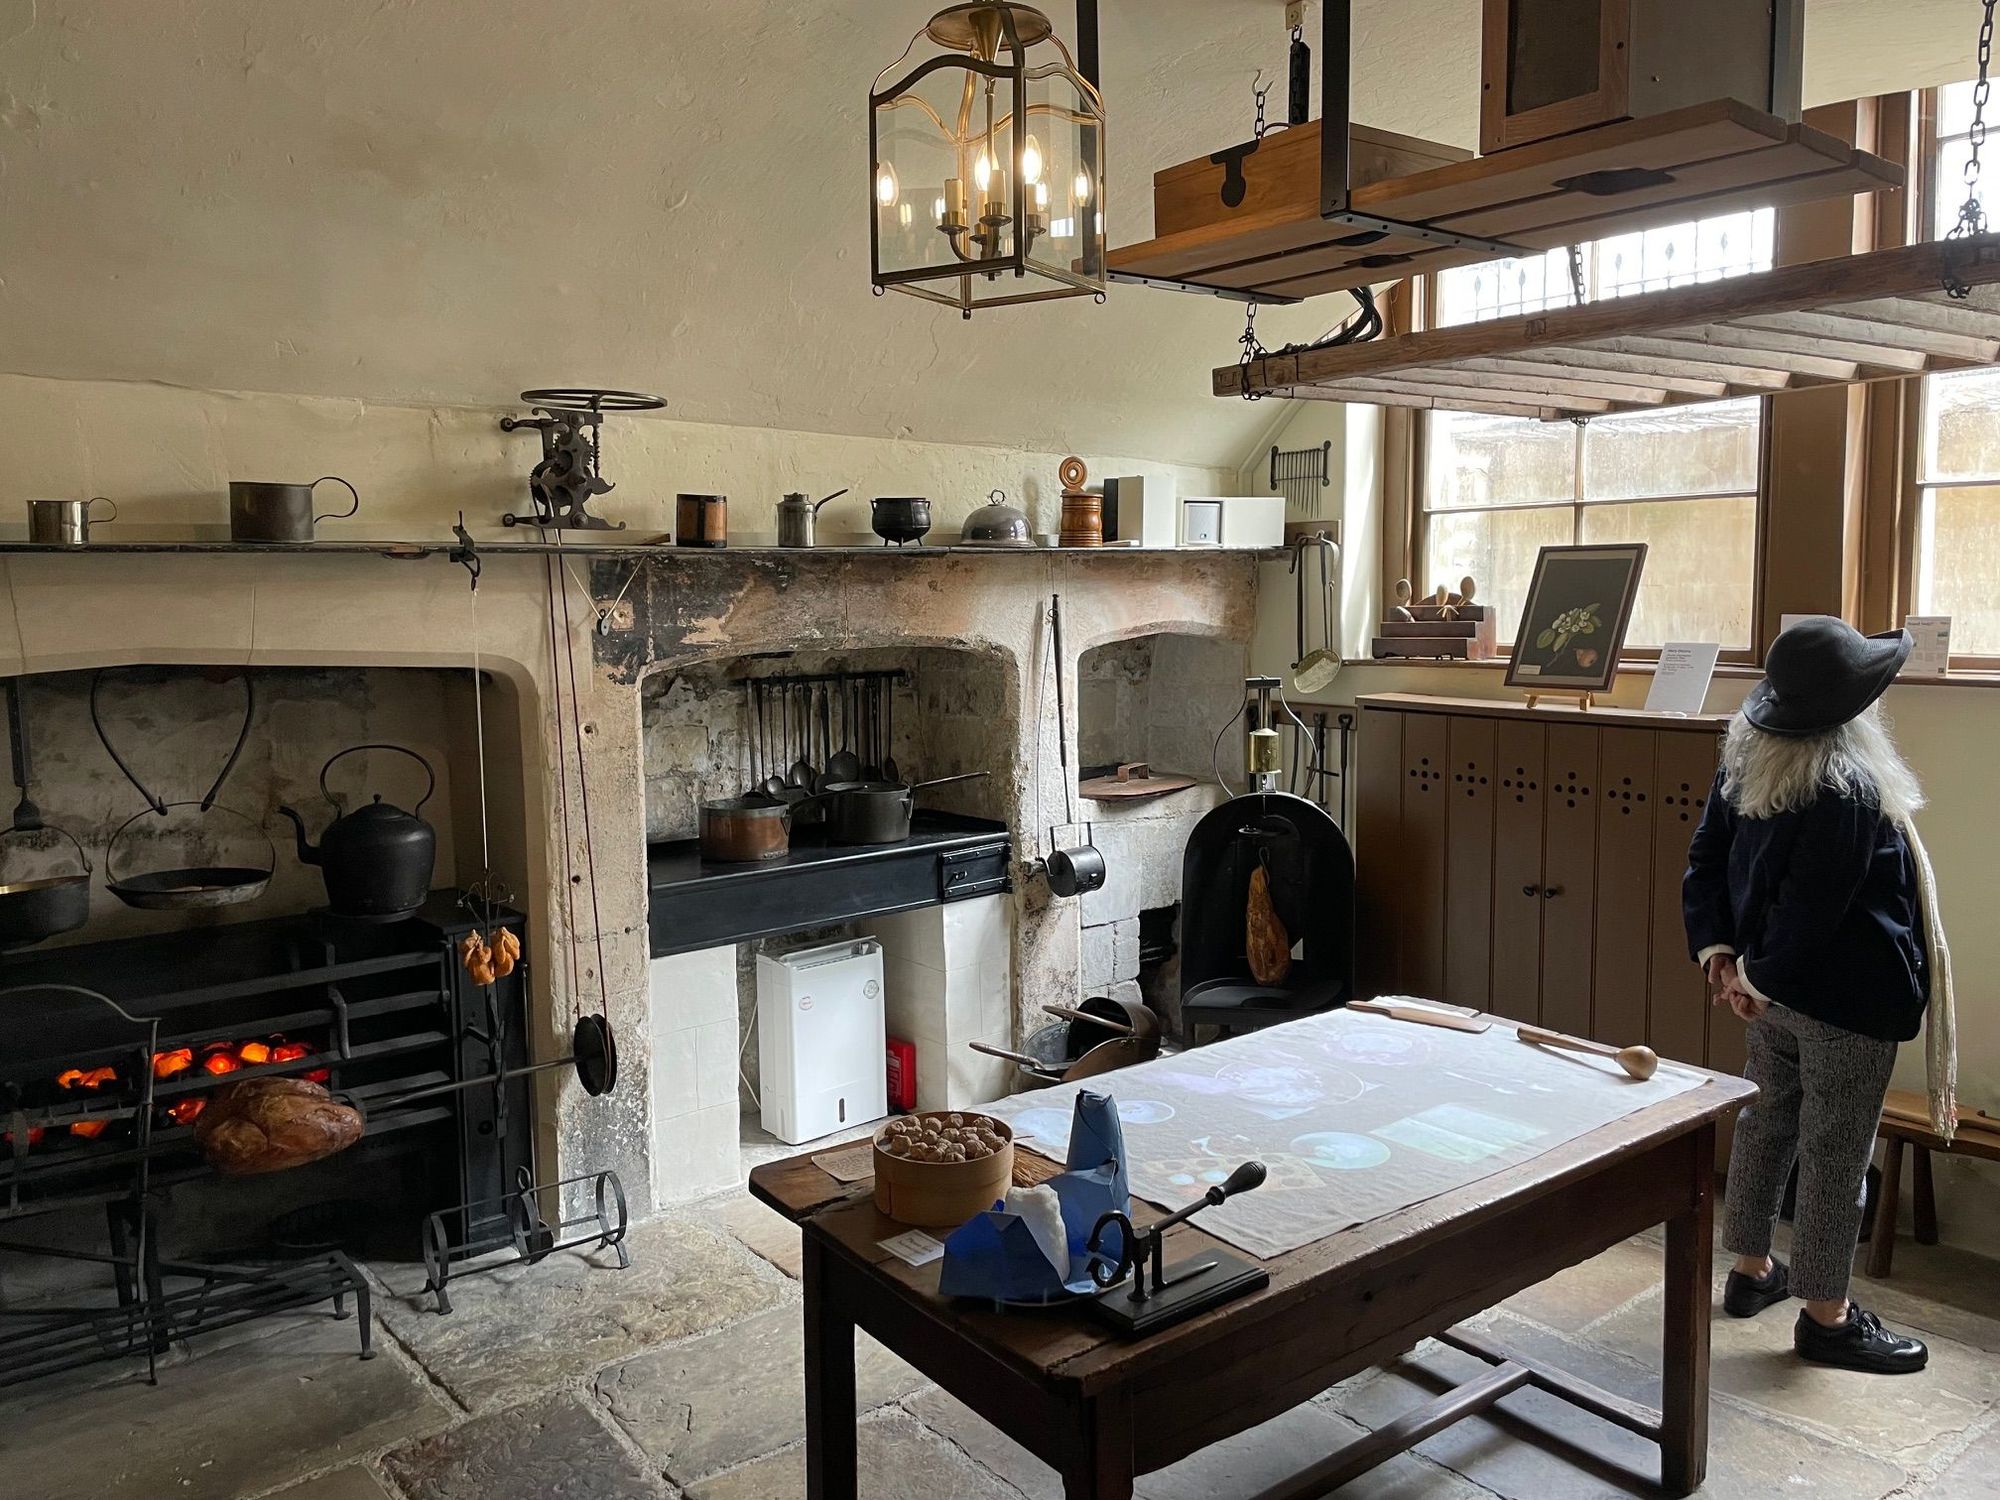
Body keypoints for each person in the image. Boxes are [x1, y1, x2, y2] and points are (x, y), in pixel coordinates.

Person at [1684, 618, 1956, 1376]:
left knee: (1767, 1121)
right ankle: (1827, 1317)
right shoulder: (1850, 787)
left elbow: (1707, 860)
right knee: (1838, 1150)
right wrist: (1753, 976)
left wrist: (1725, 960)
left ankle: (1752, 1271)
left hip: (1768, 993)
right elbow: (1814, 908)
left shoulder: (1746, 760)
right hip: (1844, 1001)